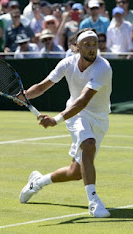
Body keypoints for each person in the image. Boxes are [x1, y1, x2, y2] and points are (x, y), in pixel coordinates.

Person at [17, 28, 112, 218]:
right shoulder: (67, 63)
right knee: (88, 144)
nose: (92, 48)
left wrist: (56, 120)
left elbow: (84, 100)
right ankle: (94, 202)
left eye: (95, 44)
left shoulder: (103, 67)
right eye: (87, 45)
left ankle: (37, 182)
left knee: (75, 172)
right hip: (77, 115)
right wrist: (24, 95)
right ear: (77, 47)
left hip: (99, 117)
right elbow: (43, 86)